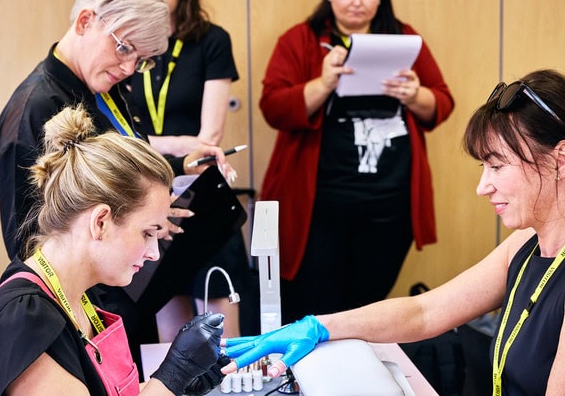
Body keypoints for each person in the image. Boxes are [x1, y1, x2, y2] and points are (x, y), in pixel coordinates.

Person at [222, 69, 565, 395]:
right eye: (483, 166)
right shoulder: (525, 243)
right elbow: (425, 312)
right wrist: (318, 326)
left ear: (559, 158)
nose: (482, 187)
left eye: (497, 166)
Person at [0, 0, 234, 368]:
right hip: (85, 311)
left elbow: (118, 173)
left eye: (142, 60)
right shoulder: (35, 109)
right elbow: (27, 244)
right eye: (123, 48)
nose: (128, 67)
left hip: (129, 292)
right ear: (85, 21)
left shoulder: (106, 88)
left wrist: (179, 167)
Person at [0, 104, 230, 395]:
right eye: (147, 233)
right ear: (101, 222)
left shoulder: (76, 297)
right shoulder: (25, 320)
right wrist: (174, 374)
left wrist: (182, 385)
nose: (154, 253)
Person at [257, 0, 455, 324]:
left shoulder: (403, 37)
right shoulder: (300, 39)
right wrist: (323, 84)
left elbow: (442, 103)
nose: (357, 1)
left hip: (390, 203)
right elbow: (273, 107)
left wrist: (415, 95)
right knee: (315, 305)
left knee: (367, 306)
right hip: (320, 206)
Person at [121, 0, 249, 341]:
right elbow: (121, 137)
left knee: (221, 333)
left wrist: (147, 142)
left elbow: (210, 137)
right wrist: (177, 144)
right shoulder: (131, 45)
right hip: (151, 191)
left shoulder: (212, 40)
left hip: (202, 189)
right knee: (171, 331)